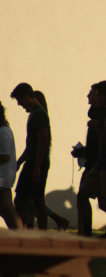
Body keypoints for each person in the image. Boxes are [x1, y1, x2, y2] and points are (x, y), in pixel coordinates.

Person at [77, 81, 106, 245]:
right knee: (83, 195)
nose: (96, 98)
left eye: (99, 95)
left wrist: (98, 130)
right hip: (100, 164)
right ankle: (88, 235)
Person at [10, 83, 50, 230]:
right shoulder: (36, 113)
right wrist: (19, 162)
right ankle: (40, 232)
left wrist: (37, 167)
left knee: (22, 198)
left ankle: (22, 232)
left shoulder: (38, 113)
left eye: (20, 101)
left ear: (26, 96)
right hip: (34, 161)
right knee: (36, 199)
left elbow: (42, 142)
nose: (20, 105)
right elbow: (33, 144)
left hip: (36, 162)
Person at [72, 84, 106, 236]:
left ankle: (85, 234)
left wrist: (81, 151)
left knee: (83, 197)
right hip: (95, 162)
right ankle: (84, 233)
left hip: (95, 163)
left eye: (91, 94)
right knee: (103, 203)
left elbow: (96, 145)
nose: (88, 96)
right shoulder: (97, 114)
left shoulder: (100, 115)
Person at [0, 101, 23, 229]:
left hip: (2, 178)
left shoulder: (3, 132)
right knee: (5, 211)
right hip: (4, 177)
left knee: (9, 211)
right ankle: (16, 234)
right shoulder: (4, 130)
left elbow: (5, 156)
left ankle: (21, 237)